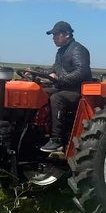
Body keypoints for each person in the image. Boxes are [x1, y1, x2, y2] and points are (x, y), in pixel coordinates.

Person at [38, 21, 93, 153]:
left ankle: (57, 139)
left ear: (67, 34)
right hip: (64, 87)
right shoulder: (61, 52)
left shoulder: (78, 50)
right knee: (41, 93)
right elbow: (53, 70)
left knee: (57, 98)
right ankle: (40, 131)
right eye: (53, 35)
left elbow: (81, 72)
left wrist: (59, 78)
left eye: (56, 34)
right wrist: (35, 71)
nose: (53, 38)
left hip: (77, 90)